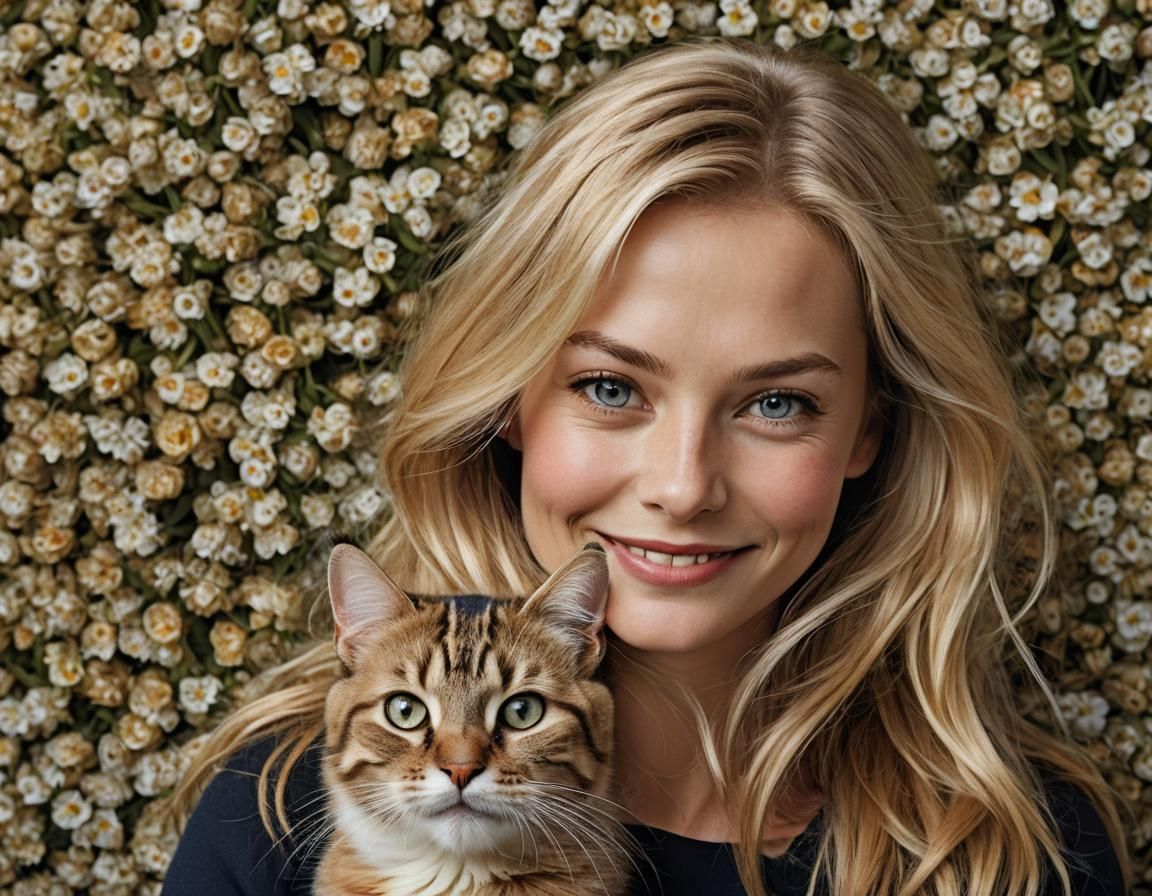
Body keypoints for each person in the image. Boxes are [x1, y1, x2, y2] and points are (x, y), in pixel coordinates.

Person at [160, 37, 1130, 896]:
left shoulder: (1012, 851)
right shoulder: (277, 823)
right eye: (612, 388)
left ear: (868, 433)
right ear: (509, 399)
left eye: (776, 402)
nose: (681, 484)